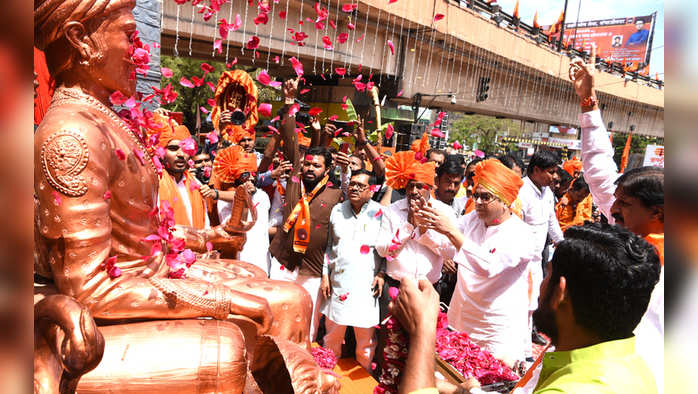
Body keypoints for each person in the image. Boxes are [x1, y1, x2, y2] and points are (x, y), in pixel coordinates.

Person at [32, 1, 336, 390]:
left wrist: (207, 238)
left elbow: (138, 238)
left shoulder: (102, 118)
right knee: (272, 308)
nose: (139, 49)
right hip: (115, 295)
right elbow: (91, 288)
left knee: (282, 292)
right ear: (80, 39)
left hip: (149, 272)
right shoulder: (70, 136)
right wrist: (223, 301)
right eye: (129, 35)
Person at [394, 224, 660, 394]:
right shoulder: (632, 366)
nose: (540, 285)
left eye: (547, 275)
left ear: (561, 292)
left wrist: (423, 331)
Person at [571, 53, 664, 393]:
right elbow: (598, 169)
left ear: (658, 213)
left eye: (624, 204)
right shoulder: (628, 235)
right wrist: (588, 103)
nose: (614, 210)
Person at [417, 158, 536, 367]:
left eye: (485, 197)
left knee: (489, 383)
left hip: (496, 328)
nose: (478, 202)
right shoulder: (472, 220)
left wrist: (451, 231)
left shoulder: (522, 235)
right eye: (475, 195)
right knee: (454, 377)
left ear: (505, 201)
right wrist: (425, 226)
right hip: (462, 319)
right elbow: (446, 248)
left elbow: (488, 266)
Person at [269, 77, 344, 342]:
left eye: (316, 166)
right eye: (308, 164)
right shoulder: (294, 181)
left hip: (313, 271)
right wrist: (289, 102)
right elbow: (290, 144)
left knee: (308, 324)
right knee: (277, 316)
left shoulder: (336, 194)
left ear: (327, 170)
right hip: (283, 263)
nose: (310, 168)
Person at [320, 169, 385, 371]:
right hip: (338, 283)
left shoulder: (381, 214)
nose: (354, 188)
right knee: (332, 337)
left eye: (361, 185)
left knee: (365, 344)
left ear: (372, 190)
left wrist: (382, 273)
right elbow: (328, 246)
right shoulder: (337, 210)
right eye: (352, 184)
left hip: (367, 286)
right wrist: (324, 274)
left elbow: (387, 249)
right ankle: (327, 378)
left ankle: (363, 382)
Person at [375, 151, 457, 287]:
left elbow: (450, 253)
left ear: (430, 187)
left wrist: (425, 232)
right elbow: (382, 250)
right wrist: (409, 226)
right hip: (395, 285)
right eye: (410, 186)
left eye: (419, 187)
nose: (413, 191)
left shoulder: (445, 212)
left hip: (429, 287)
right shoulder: (392, 210)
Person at [518, 149, 564, 351]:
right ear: (536, 170)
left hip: (536, 261)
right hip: (520, 260)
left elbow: (551, 221)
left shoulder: (547, 193)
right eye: (551, 171)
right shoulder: (521, 191)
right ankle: (519, 348)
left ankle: (525, 346)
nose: (555, 177)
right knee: (520, 304)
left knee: (532, 304)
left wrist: (562, 244)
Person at [214, 144, 272, 274]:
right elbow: (236, 226)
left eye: (254, 173)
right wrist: (243, 196)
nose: (251, 178)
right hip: (238, 262)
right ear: (235, 176)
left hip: (262, 260)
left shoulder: (263, 196)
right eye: (246, 174)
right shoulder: (224, 201)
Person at [151, 114, 210, 229]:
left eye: (185, 149)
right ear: (160, 152)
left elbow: (205, 225)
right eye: (173, 149)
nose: (181, 154)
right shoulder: (153, 184)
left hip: (196, 245)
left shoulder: (197, 184)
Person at [432, 156, 468, 304]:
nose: (452, 188)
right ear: (437, 181)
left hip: (455, 278)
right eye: (448, 181)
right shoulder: (427, 204)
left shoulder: (464, 208)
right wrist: (442, 257)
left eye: (456, 183)